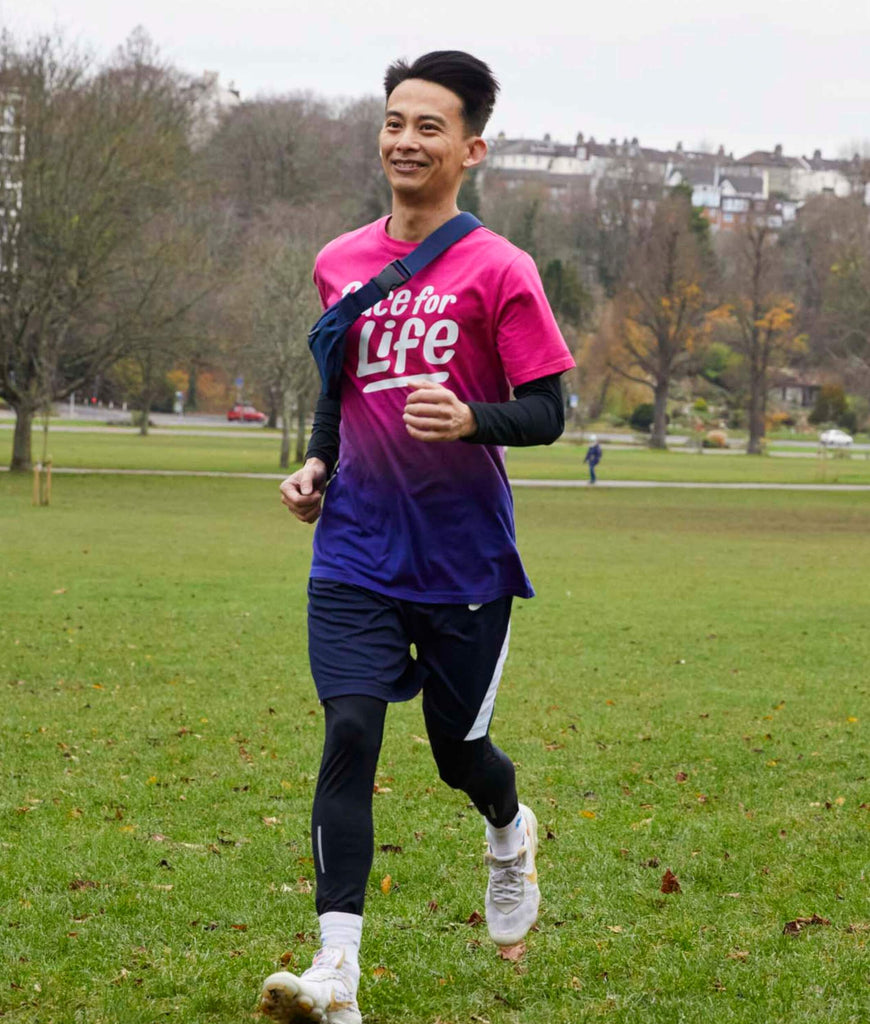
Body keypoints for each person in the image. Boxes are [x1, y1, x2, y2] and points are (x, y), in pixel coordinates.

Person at [260, 50, 575, 1024]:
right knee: (351, 731)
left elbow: (549, 411)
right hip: (355, 548)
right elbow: (337, 391)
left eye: (429, 125)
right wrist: (318, 464)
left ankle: (509, 826)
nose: (405, 138)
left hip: (462, 561)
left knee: (457, 754)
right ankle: (337, 975)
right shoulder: (338, 261)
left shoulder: (500, 270)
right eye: (395, 120)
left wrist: (473, 418)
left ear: (471, 147)